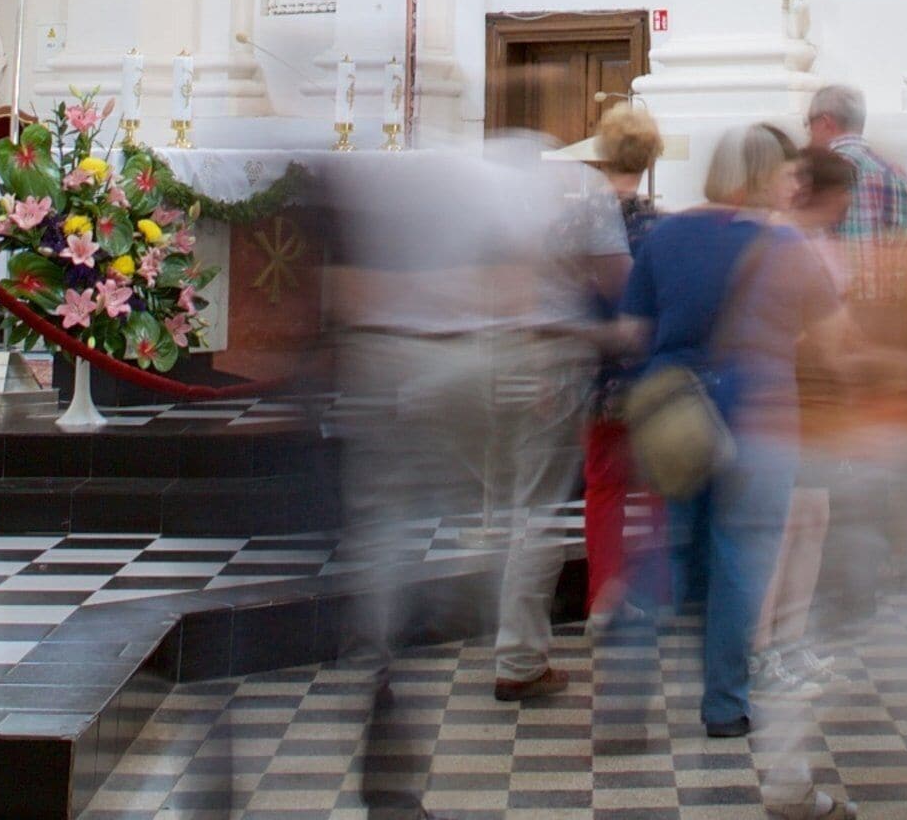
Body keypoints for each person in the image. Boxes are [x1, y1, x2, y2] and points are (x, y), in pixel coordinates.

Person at [329, 135, 628, 809]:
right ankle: (515, 650)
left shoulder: (477, 188)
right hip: (524, 360)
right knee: (531, 510)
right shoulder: (551, 197)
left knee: (491, 501)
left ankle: (451, 624)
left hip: (471, 362)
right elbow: (526, 286)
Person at [612, 124, 845, 745]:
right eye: (786, 171)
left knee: (674, 549)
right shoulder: (787, 245)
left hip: (675, 413)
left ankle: (626, 670)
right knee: (742, 562)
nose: (795, 182)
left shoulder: (666, 235)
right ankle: (725, 705)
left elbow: (632, 330)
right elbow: (835, 340)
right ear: (762, 175)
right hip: (758, 414)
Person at [570, 103, 666, 627]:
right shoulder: (659, 225)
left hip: (597, 370)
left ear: (603, 156)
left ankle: (602, 595)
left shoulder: (578, 219)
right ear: (650, 158)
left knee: (603, 488)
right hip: (649, 373)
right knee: (654, 488)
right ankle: (652, 595)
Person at [804, 84, 907, 341]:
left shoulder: (817, 174)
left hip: (839, 320)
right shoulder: (896, 173)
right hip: (895, 318)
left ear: (825, 123)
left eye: (808, 125)